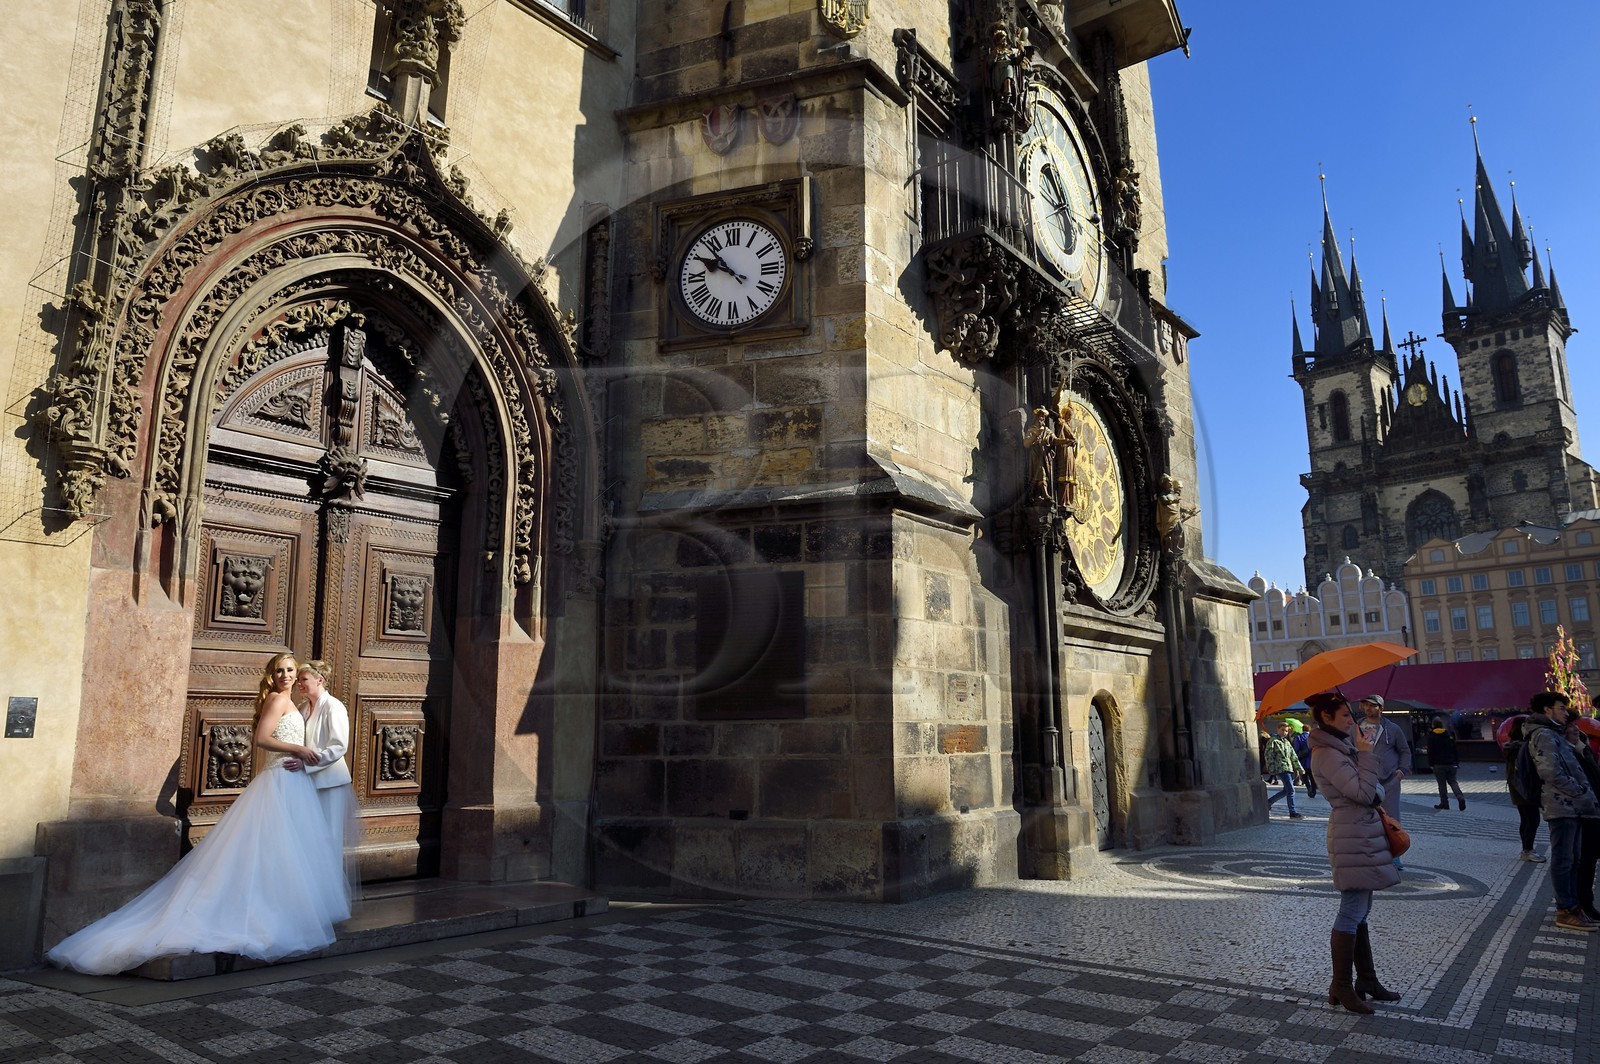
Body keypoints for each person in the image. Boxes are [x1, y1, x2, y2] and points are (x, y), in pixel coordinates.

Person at [46, 653, 354, 975]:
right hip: (280, 782)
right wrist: (298, 750)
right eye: (280, 671)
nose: (287, 675)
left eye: (291, 670)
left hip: (297, 783)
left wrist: (305, 757)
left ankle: (286, 909)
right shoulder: (277, 700)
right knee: (272, 848)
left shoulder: (302, 704)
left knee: (287, 852)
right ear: (271, 676)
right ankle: (264, 912)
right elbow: (262, 739)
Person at [1307, 691, 1402, 1013]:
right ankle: (1342, 986)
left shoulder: (1342, 749)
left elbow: (1373, 791)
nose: (1352, 720)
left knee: (1361, 910)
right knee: (1351, 910)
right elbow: (1365, 792)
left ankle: (1367, 981)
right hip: (1353, 835)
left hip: (1361, 832)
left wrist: (1364, 761)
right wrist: (1367, 755)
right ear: (1326, 719)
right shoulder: (1328, 755)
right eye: (1345, 716)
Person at [1524, 690, 1600, 932]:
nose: (1566, 714)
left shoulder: (1554, 733)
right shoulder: (1545, 734)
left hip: (1572, 806)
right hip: (1562, 805)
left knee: (1574, 859)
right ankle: (1565, 909)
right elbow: (1550, 771)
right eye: (1562, 709)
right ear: (1547, 709)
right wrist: (1579, 789)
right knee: (1564, 859)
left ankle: (1574, 906)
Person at [287, 659, 362, 900]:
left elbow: (339, 746)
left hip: (330, 783)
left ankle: (330, 896)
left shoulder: (334, 707)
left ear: (320, 680)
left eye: (303, 679)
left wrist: (307, 764)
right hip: (308, 782)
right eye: (298, 680)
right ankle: (311, 893)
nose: (299, 683)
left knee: (329, 838)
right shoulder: (303, 708)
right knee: (310, 837)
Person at [1359, 695, 1410, 867]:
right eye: (1366, 705)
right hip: (1365, 779)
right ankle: (1371, 853)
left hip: (1389, 781)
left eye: (1373, 706)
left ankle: (1395, 855)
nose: (1368, 708)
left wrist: (1401, 772)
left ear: (1381, 708)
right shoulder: (1358, 727)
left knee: (1391, 818)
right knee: (1366, 817)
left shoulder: (1393, 728)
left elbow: (1405, 751)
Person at [1563, 720, 1600, 922]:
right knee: (1580, 860)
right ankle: (1576, 904)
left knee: (1589, 859)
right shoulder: (1565, 753)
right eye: (1571, 730)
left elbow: (1595, 776)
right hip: (1579, 812)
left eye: (1577, 730)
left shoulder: (1582, 751)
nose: (1576, 732)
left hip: (1592, 812)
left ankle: (1586, 902)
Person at [1505, 718, 1547, 863]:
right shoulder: (1524, 747)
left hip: (1516, 788)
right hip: (1526, 787)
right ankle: (1528, 850)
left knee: (1526, 819)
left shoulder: (1511, 746)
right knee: (1533, 819)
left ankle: (1526, 849)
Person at [1262, 721, 1306, 819]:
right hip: (1281, 768)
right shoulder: (1273, 741)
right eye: (1282, 730)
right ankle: (1292, 812)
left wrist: (1299, 768)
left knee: (1286, 790)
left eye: (1286, 731)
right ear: (1278, 729)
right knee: (1291, 790)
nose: (1284, 732)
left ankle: (1268, 802)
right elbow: (1269, 756)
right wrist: (1271, 768)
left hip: (1289, 768)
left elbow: (1293, 756)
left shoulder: (1286, 742)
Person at [1427, 716, 1466, 811]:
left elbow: (1430, 751)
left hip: (1438, 764)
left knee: (1442, 784)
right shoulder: (1448, 735)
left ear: (1433, 725)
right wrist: (1456, 762)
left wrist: (1431, 764)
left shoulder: (1432, 736)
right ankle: (1460, 797)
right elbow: (1454, 749)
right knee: (1453, 782)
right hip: (1451, 763)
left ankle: (1444, 803)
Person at [1290, 720, 1318, 799]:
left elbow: (1296, 749)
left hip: (1303, 761)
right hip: (1313, 760)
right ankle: (1313, 790)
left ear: (1302, 730)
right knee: (1312, 776)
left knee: (1304, 775)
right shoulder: (1313, 737)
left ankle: (1308, 787)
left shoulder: (1298, 737)